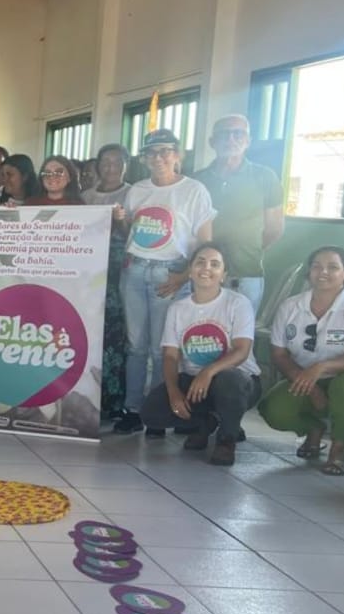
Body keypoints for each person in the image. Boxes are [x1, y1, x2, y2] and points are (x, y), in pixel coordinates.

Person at [114, 128, 217, 434]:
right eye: (151, 152)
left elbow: (204, 243)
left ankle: (156, 413)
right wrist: (120, 221)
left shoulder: (194, 190)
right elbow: (129, 234)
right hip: (134, 270)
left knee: (163, 348)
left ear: (177, 154)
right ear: (144, 159)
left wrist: (182, 277)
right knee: (135, 346)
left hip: (169, 272)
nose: (158, 158)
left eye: (165, 151)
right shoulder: (137, 190)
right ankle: (132, 409)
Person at [260, 246, 344, 477]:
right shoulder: (291, 307)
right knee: (273, 409)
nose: (323, 272)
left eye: (333, 267)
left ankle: (339, 449)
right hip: (305, 377)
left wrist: (321, 367)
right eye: (317, 266)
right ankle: (314, 430)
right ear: (309, 272)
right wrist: (309, 382)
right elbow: (279, 354)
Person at [140, 242, 260, 465]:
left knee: (228, 379)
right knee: (152, 412)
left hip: (238, 381)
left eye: (215, 264)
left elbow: (242, 351)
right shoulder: (178, 308)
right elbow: (170, 356)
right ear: (191, 271)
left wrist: (209, 371)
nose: (206, 268)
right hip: (195, 383)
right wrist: (174, 391)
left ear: (223, 275)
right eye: (200, 262)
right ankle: (206, 421)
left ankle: (227, 438)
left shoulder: (238, 303)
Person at [195, 115, 284, 315]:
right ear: (212, 142)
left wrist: (246, 248)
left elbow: (274, 229)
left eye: (238, 134)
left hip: (246, 275)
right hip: (203, 274)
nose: (231, 139)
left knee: (240, 339)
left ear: (248, 141)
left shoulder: (265, 176)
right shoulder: (197, 180)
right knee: (202, 336)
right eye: (224, 134)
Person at [84, 142, 132, 418]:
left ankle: (114, 402)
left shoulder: (134, 193)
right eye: (105, 163)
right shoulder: (85, 196)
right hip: (87, 275)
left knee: (114, 336)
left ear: (126, 165)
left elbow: (134, 237)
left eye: (117, 163)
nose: (111, 168)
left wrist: (121, 221)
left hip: (118, 275)